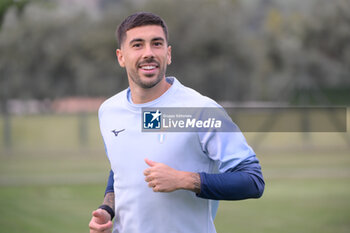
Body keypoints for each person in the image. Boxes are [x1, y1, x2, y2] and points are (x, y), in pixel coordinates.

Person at [89, 12, 264, 233]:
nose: (149, 53)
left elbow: (252, 180)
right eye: (137, 45)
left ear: (168, 54)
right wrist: (107, 209)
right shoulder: (109, 111)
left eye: (157, 44)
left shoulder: (201, 110)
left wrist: (184, 179)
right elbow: (120, 170)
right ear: (121, 57)